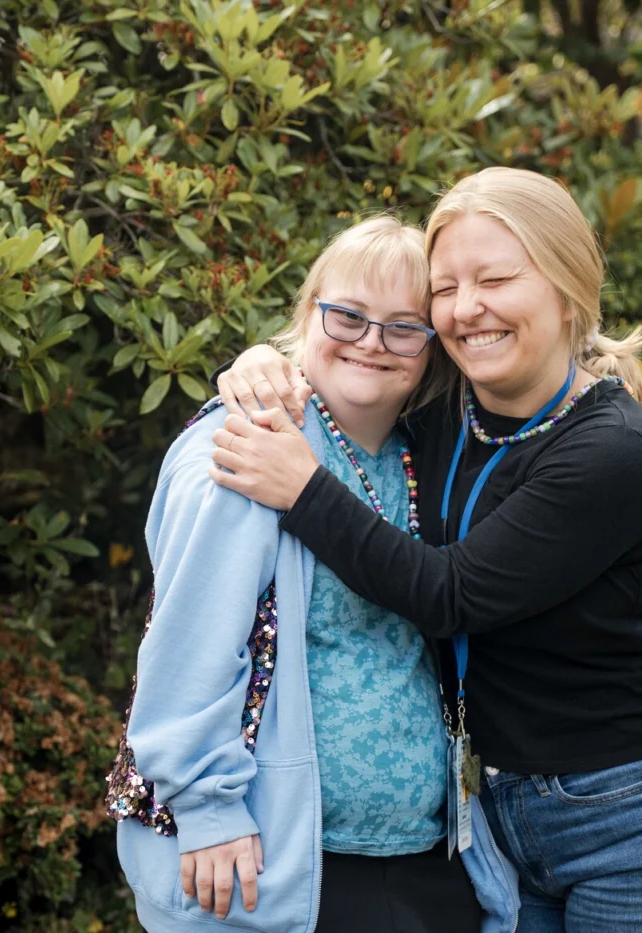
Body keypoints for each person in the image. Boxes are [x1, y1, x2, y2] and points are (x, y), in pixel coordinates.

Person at [209, 167, 642, 932]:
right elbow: (351, 358)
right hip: (506, 831)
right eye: (445, 287)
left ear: (566, 287)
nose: (466, 309)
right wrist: (264, 364)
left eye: (496, 279)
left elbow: (451, 595)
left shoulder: (609, 450)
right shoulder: (447, 403)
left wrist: (304, 489)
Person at [115, 216, 488, 933]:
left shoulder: (428, 455)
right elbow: (186, 647)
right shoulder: (244, 445)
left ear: (432, 349)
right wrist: (208, 807)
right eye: (348, 315)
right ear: (308, 311)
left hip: (423, 859)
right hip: (277, 864)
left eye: (404, 327)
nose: (372, 342)